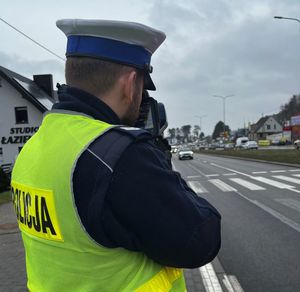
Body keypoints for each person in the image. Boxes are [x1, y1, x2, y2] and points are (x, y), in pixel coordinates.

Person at [11, 19, 221, 291]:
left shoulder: (35, 146)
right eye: (143, 86)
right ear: (131, 82)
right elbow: (200, 241)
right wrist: (160, 162)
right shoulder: (119, 154)